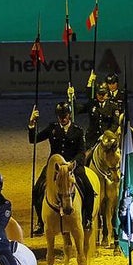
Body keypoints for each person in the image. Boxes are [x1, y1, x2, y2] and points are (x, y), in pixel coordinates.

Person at [28, 101, 94, 235]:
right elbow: (33, 139)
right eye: (60, 116)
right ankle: (41, 221)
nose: (63, 118)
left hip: (72, 166)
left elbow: (81, 152)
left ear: (69, 115)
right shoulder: (52, 128)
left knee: (88, 188)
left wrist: (72, 164)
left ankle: (87, 218)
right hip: (55, 166)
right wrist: (32, 124)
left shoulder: (78, 130)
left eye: (65, 115)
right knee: (37, 189)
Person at [79, 81, 121, 148]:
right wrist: (71, 99)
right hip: (92, 138)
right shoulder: (91, 104)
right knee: (85, 156)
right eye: (99, 94)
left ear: (107, 94)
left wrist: (106, 134)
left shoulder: (113, 106)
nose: (101, 96)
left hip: (107, 137)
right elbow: (77, 109)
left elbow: (115, 123)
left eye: (103, 94)